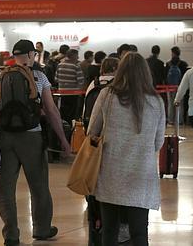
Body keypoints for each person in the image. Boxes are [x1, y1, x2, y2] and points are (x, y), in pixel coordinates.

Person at [0, 39, 71, 246]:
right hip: (31, 136)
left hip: (4, 137)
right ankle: (42, 229)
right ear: (32, 54)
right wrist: (63, 141)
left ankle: (11, 235)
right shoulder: (39, 77)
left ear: (15, 56)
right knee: (39, 185)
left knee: (5, 188)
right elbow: (51, 110)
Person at [87, 52, 165, 246]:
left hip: (111, 174)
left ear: (120, 71)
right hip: (142, 176)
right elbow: (158, 142)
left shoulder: (107, 95)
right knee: (139, 233)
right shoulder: (156, 101)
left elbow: (91, 131)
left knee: (110, 231)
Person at [83, 56, 119, 246]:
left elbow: (87, 117)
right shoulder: (115, 89)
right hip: (112, 147)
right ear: (114, 68)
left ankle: (94, 236)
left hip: (92, 145)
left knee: (93, 192)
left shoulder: (92, 85)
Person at [55, 49, 84, 124]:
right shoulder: (76, 66)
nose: (78, 57)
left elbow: (56, 79)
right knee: (72, 114)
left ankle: (64, 127)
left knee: (63, 112)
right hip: (73, 93)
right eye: (77, 55)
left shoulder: (60, 65)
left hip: (62, 92)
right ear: (73, 56)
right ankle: (72, 131)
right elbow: (81, 81)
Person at [165, 46, 189, 124]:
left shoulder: (168, 64)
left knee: (170, 104)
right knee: (180, 103)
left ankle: (170, 120)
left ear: (173, 53)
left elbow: (165, 76)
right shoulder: (184, 64)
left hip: (169, 87)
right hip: (180, 86)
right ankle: (179, 120)